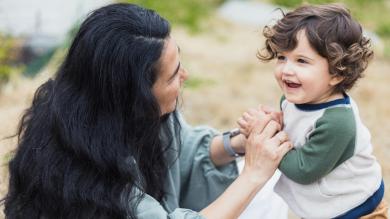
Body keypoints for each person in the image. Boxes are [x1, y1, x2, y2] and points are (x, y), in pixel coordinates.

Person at [2, 3, 292, 219]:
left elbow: (184, 151)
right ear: (136, 96)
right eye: (173, 75)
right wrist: (253, 174)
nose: (186, 75)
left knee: (269, 184)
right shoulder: (84, 178)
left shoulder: (124, 114)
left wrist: (238, 143)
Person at [238, 3, 388, 219]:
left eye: (301, 61)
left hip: (355, 210)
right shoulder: (295, 98)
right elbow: (296, 128)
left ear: (337, 73)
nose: (286, 70)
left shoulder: (337, 122)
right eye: (282, 57)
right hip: (326, 203)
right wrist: (274, 123)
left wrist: (266, 137)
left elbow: (303, 170)